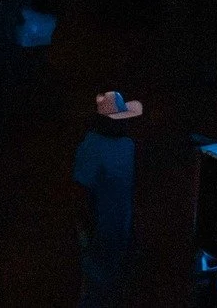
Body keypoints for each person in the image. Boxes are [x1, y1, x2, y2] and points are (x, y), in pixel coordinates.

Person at [75, 91, 141, 308]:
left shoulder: (94, 145)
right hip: (112, 221)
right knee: (105, 277)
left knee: (99, 279)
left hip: (107, 221)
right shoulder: (126, 146)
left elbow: (82, 187)